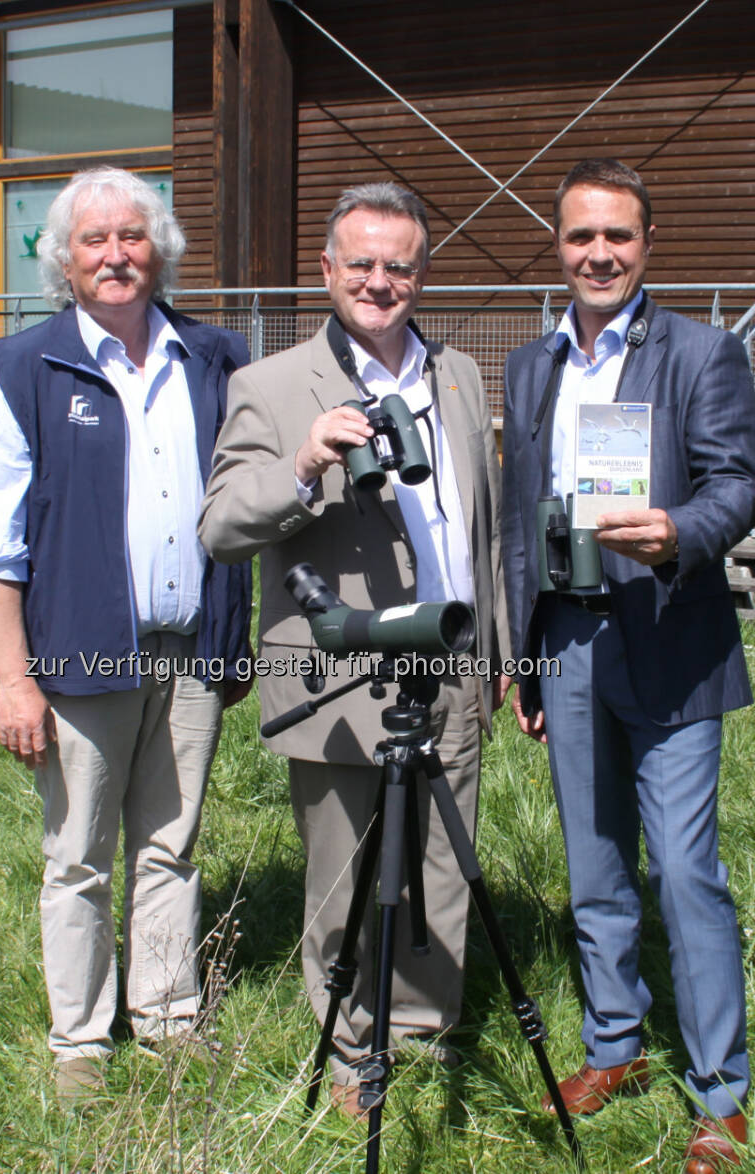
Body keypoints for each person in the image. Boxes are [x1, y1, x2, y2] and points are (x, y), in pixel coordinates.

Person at [198, 181, 509, 1118]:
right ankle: (351, 1048)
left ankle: (420, 1030)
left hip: (447, 659)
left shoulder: (456, 376)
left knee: (440, 862)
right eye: (362, 264)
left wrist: (492, 653)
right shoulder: (272, 385)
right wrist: (301, 464)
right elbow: (218, 528)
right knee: (345, 871)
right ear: (328, 271)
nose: (381, 282)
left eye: (400, 266)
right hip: (342, 670)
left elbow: (478, 531)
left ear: (423, 273)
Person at [0, 167, 252, 1105]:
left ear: (160, 249)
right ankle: (80, 1041)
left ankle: (166, 1017)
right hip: (80, 655)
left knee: (171, 845)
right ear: (65, 263)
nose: (116, 256)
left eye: (133, 237)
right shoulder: (26, 367)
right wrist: (13, 680)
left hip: (190, 647)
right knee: (78, 855)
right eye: (95, 241)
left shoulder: (213, 356)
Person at [500, 159, 755, 1172]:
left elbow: (738, 483)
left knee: (687, 870)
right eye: (579, 237)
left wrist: (680, 530)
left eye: (617, 236)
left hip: (669, 634)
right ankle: (618, 1044)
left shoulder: (704, 353)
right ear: (557, 246)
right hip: (566, 637)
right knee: (594, 862)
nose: (598, 254)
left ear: (648, 245)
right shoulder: (534, 367)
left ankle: (720, 1094)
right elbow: (526, 521)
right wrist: (525, 659)